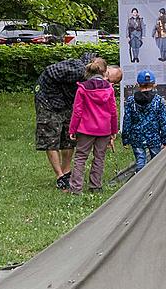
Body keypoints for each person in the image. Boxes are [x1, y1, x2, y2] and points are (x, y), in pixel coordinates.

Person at [35, 52, 100, 189]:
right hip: (47, 97)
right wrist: (56, 95)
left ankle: (66, 172)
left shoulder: (92, 77)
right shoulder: (78, 69)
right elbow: (49, 72)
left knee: (69, 135)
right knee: (50, 136)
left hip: (65, 99)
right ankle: (59, 176)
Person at [68, 59, 119, 194]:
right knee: (99, 157)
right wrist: (114, 130)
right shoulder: (109, 88)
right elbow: (113, 111)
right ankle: (95, 186)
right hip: (104, 129)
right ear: (104, 71)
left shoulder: (82, 88)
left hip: (86, 129)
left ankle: (76, 188)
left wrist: (72, 129)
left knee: (80, 157)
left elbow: (77, 111)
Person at [121, 70, 166, 171]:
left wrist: (125, 139)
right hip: (154, 137)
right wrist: (164, 139)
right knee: (156, 162)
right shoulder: (158, 100)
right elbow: (163, 121)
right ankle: (155, 182)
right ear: (154, 84)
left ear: (138, 84)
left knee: (140, 161)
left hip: (137, 137)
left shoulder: (131, 100)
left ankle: (139, 183)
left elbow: (127, 120)